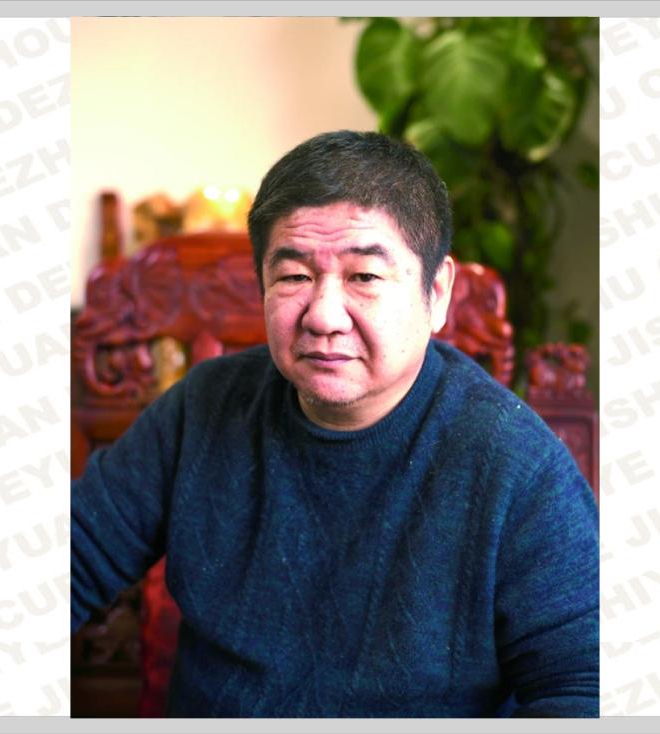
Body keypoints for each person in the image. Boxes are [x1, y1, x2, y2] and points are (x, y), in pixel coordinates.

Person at [71, 130, 599, 717]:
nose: (323, 316)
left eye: (364, 277)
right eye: (294, 276)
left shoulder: (517, 466)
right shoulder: (205, 406)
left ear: (437, 292)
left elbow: (583, 690)